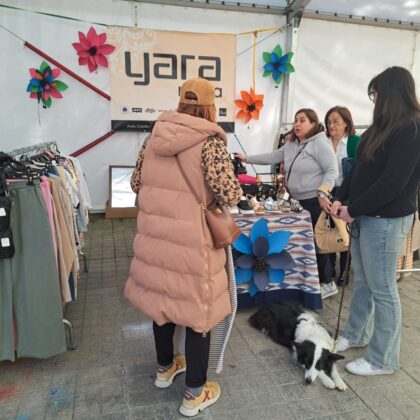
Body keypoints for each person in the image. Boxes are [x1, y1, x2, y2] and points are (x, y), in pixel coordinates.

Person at [125, 77, 242, 416]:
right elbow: (230, 193)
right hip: (192, 243)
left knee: (160, 303)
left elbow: (135, 183)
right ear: (209, 107)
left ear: (181, 103)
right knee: (197, 314)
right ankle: (194, 394)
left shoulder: (153, 138)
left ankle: (165, 369)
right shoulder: (210, 143)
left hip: (155, 239)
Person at [332, 66, 420, 376]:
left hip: (386, 219)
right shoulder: (378, 128)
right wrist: (340, 198)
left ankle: (383, 359)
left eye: (377, 93)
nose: (375, 100)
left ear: (391, 93)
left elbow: (392, 184)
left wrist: (353, 210)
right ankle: (357, 333)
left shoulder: (411, 128)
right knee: (363, 282)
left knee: (383, 289)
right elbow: (356, 170)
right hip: (364, 215)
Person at [235, 109, 339, 299]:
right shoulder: (292, 144)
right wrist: (247, 158)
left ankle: (327, 283)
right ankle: (307, 281)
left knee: (317, 243)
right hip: (295, 201)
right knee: (304, 243)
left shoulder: (320, 144)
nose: (297, 124)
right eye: (295, 120)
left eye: (302, 120)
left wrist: (323, 192)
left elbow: (332, 170)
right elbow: (273, 156)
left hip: (314, 201)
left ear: (313, 123)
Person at [324, 106, 360, 285]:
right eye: (329, 122)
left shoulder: (354, 142)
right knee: (330, 229)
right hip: (328, 191)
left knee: (346, 231)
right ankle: (330, 267)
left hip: (348, 192)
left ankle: (345, 269)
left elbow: (360, 171)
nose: (331, 125)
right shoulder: (324, 142)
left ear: (346, 123)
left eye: (336, 122)